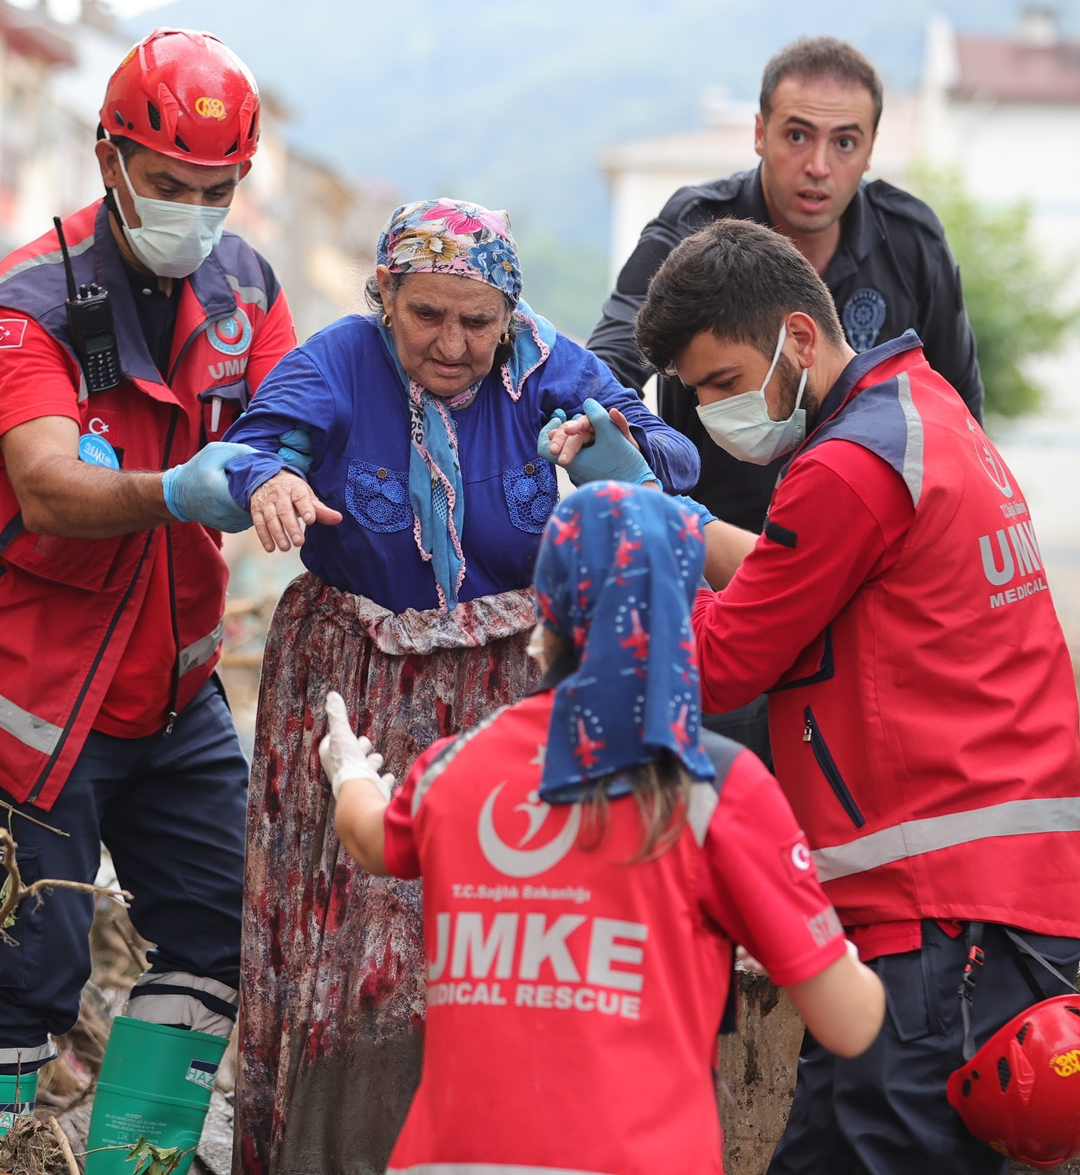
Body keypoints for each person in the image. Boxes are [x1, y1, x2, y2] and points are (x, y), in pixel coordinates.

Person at [218, 198, 698, 1173]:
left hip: (499, 688)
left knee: (483, 931)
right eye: (427, 313)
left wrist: (615, 448)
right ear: (384, 294)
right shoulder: (340, 359)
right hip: (353, 683)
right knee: (341, 944)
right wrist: (266, 483)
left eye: (478, 319)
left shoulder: (545, 364)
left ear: (510, 310)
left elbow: (678, 462)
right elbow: (250, 447)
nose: (454, 341)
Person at [0, 29, 292, 1143]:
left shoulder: (245, 287)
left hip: (166, 674)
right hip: (29, 677)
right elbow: (49, 486)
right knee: (30, 957)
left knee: (226, 925)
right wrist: (178, 490)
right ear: (107, 159)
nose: (194, 211)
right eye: (167, 185)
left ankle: (134, 1162)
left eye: (217, 189)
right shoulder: (27, 303)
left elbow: (305, 426)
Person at [633, 217, 1080, 1173]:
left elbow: (722, 661)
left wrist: (606, 576)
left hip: (937, 915)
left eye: (723, 383)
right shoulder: (920, 416)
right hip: (972, 901)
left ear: (798, 338)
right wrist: (678, 525)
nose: (717, 411)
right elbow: (796, 578)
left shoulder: (845, 469)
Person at [315, 482, 884, 1175]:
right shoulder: (713, 787)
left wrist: (349, 768)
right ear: (681, 612)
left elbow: (371, 837)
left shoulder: (457, 766)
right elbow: (850, 1025)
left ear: (544, 616)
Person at [588, 35, 983, 761]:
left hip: (861, 586)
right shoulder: (693, 227)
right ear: (760, 133)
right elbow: (611, 355)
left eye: (845, 141)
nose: (818, 165)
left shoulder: (912, 241)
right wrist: (619, 453)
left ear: (871, 151)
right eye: (797, 135)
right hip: (715, 567)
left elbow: (960, 414)